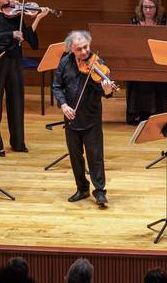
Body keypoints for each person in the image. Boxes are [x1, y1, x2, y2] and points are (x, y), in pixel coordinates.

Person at [0, 0, 49, 157]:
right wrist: (10, 34)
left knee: (17, 103)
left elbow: (30, 39)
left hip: (14, 63)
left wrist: (38, 18)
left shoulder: (15, 13)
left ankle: (18, 142)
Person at [53, 30, 112, 206]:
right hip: (71, 118)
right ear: (71, 49)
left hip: (91, 117)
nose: (85, 52)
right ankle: (82, 189)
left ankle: (99, 191)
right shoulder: (64, 62)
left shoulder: (98, 64)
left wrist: (107, 90)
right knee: (75, 157)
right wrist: (63, 105)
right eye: (79, 49)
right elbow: (57, 86)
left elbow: (104, 90)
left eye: (86, 47)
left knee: (95, 156)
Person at [126, 0, 167, 125]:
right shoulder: (134, 21)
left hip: (158, 60)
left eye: (151, 7)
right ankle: (137, 114)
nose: (148, 10)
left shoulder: (164, 21)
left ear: (157, 8)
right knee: (136, 75)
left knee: (157, 74)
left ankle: (156, 113)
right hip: (139, 60)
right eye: (145, 7)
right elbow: (128, 41)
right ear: (141, 8)